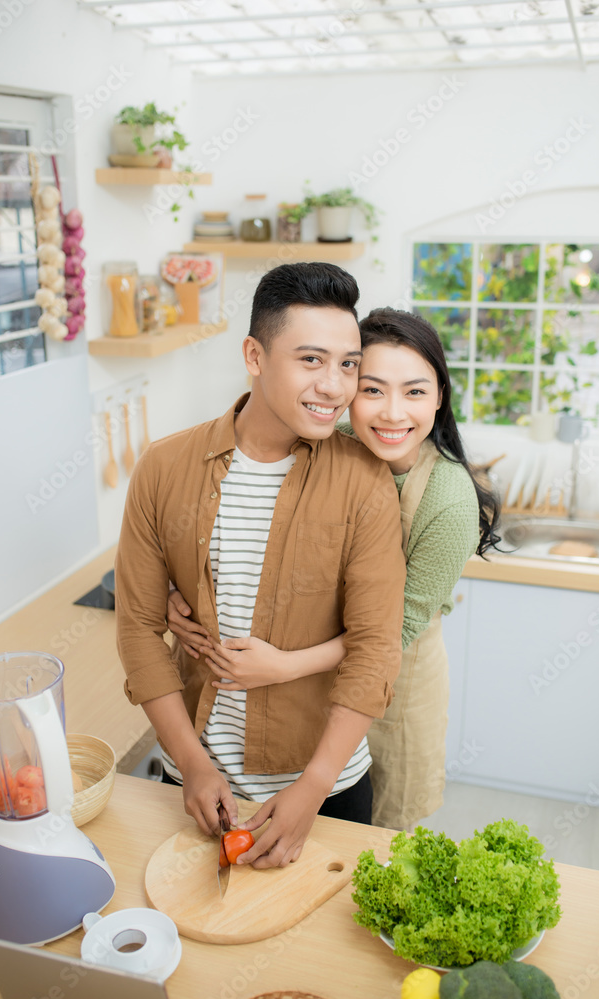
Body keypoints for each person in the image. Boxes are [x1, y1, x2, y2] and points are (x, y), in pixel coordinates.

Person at [115, 263, 406, 869]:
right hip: (193, 783)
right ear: (254, 355)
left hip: (327, 790)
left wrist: (313, 788)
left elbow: (376, 646)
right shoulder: (164, 468)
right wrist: (192, 766)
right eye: (311, 360)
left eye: (349, 364)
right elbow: (139, 627)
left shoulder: (365, 481)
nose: (335, 386)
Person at [168, 308, 501, 832]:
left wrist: (284, 666)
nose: (393, 413)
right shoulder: (327, 440)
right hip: (314, 692)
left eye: (414, 392)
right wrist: (178, 591)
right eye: (372, 389)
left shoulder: (449, 498)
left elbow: (393, 632)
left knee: (370, 841)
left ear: (440, 396)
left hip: (398, 690)